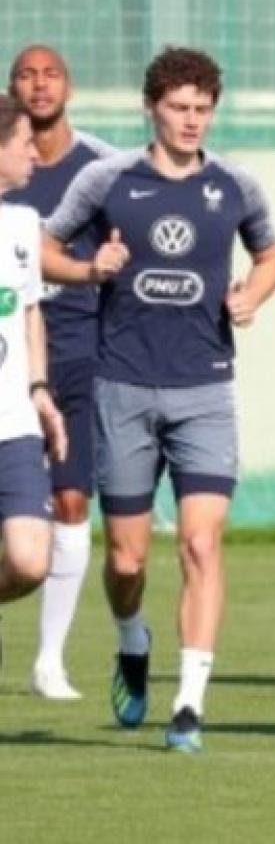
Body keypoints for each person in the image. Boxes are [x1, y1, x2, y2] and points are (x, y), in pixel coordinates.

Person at [43, 47, 275, 752]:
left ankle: (188, 705)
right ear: (151, 107)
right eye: (178, 108)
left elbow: (271, 256)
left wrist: (252, 293)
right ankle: (131, 639)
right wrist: (92, 269)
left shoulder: (236, 186)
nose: (191, 120)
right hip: (121, 386)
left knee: (202, 543)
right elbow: (48, 247)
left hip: (205, 388)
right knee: (125, 560)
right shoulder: (107, 179)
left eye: (202, 109)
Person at [4, 45, 114, 700]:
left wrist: (39, 388)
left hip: (60, 367)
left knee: (66, 509)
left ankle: (50, 659)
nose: (40, 85)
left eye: (52, 74)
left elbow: (32, 299)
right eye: (26, 75)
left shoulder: (98, 168)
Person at [0, 93, 70, 682]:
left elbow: (28, 316)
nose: (35, 154)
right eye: (24, 142)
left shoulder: (22, 225)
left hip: (14, 423)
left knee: (29, 561)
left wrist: (41, 389)